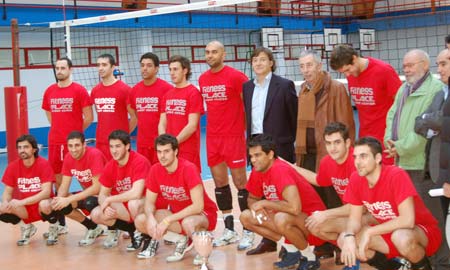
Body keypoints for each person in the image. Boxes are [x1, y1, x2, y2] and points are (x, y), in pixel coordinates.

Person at [385, 49, 449, 269]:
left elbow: (427, 132)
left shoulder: (436, 89)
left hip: (422, 166)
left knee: (433, 220)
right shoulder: (404, 88)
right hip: (402, 164)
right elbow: (392, 114)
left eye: (410, 65)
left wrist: (400, 147)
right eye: (404, 66)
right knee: (413, 218)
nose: (406, 69)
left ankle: (442, 263)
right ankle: (421, 261)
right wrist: (388, 141)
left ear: (424, 65)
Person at [341, 137, 442, 270]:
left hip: (421, 231)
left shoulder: (396, 175)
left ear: (377, 158)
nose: (357, 162)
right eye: (355, 157)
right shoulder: (356, 179)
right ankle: (396, 267)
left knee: (401, 237)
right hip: (388, 230)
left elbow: (408, 220)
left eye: (363, 156)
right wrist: (349, 236)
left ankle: (424, 267)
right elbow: (354, 220)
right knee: (344, 240)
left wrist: (370, 232)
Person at [240, 134, 326, 270]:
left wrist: (265, 204)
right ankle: (291, 250)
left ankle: (310, 257)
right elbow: (252, 198)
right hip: (290, 220)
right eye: (251, 156)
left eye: (257, 155)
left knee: (281, 218)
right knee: (246, 217)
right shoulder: (258, 170)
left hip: (314, 223)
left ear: (270, 154)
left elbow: (294, 208)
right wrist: (255, 207)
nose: (253, 160)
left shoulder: (280, 170)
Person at [198, 40, 254, 250]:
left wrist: (246, 135)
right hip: (213, 138)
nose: (210, 55)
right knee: (220, 184)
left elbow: (247, 106)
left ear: (224, 54)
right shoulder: (203, 79)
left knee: (241, 183)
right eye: (207, 52)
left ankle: (248, 230)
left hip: (233, 138)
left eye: (214, 52)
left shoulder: (237, 77)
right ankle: (229, 230)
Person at [243, 47, 298, 255]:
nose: (258, 63)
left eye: (262, 60)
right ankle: (269, 239)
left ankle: (292, 239)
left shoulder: (284, 85)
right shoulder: (247, 87)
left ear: (271, 63)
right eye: (255, 60)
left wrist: (287, 143)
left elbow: (294, 116)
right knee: (261, 192)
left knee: (284, 195)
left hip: (278, 147)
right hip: (256, 147)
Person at [296, 50, 355, 243]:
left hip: (329, 153)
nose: (306, 70)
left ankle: (343, 244)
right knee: (315, 199)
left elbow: (346, 123)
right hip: (308, 153)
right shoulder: (303, 89)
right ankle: (324, 244)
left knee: (334, 200)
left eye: (309, 65)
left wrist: (345, 155)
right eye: (302, 66)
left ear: (319, 66)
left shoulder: (336, 88)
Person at [134, 134, 218, 264]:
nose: (162, 156)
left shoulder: (189, 169)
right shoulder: (155, 170)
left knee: (188, 223)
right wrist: (150, 218)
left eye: (166, 151)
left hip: (203, 215)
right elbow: (149, 202)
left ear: (176, 151)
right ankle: (180, 239)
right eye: (159, 152)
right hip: (178, 215)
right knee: (141, 220)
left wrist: (168, 220)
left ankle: (203, 247)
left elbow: (198, 206)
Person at [288, 122, 357, 265]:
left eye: (337, 142)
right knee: (315, 226)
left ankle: (354, 257)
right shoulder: (327, 162)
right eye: (329, 143)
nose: (333, 148)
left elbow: (358, 207)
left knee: (343, 234)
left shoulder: (356, 162)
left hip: (368, 214)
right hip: (350, 214)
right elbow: (318, 180)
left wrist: (325, 214)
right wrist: (290, 167)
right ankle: (347, 246)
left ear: (348, 143)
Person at [41, 57, 93, 234]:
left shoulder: (79, 90)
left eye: (63, 68)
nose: (59, 71)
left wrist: (74, 134)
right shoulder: (49, 91)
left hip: (74, 145)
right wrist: (59, 129)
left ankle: (95, 213)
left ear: (71, 69)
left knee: (85, 179)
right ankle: (61, 224)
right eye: (57, 68)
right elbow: (49, 114)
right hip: (55, 142)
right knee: (58, 182)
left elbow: (89, 117)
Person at [330, 44, 401, 165]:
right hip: (365, 138)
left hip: (386, 139)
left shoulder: (384, 71)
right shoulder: (352, 74)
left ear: (354, 58)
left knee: (386, 177)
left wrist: (398, 138)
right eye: (343, 73)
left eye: (347, 70)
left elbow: (402, 104)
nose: (347, 75)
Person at [39, 131, 107, 246]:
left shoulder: (94, 155)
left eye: (77, 145)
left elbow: (97, 188)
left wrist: (68, 199)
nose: (73, 149)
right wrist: (58, 201)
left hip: (107, 194)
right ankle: (93, 228)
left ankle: (114, 229)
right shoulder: (69, 157)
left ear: (84, 144)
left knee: (89, 202)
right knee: (62, 204)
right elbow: (64, 187)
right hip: (89, 194)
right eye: (70, 146)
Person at [415, 48, 450, 266]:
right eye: (438, 64)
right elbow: (419, 122)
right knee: (437, 224)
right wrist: (436, 123)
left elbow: (438, 121)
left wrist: (436, 122)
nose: (440, 70)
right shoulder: (440, 93)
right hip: (439, 170)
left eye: (444, 64)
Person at [90, 130, 149, 249]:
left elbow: (136, 193)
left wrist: (109, 199)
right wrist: (105, 206)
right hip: (125, 205)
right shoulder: (110, 166)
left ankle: (147, 236)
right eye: (111, 146)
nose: (114, 150)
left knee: (133, 204)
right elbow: (102, 195)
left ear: (127, 146)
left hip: (144, 204)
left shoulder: (139, 161)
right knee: (96, 214)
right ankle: (133, 231)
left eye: (118, 146)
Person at [0, 135, 55, 246]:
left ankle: (54, 227)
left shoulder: (43, 164)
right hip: (25, 209)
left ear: (34, 149)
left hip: (42, 206)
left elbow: (46, 192)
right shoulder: (13, 166)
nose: (22, 150)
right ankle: (26, 227)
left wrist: (21, 202)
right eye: (19, 147)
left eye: (25, 147)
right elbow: (7, 192)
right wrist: (6, 202)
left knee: (45, 204)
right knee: (1, 207)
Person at [158, 55, 203, 172]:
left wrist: (174, 142)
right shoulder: (167, 95)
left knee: (190, 184)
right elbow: (162, 122)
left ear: (185, 70)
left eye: (175, 69)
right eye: (170, 69)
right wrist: (163, 142)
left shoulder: (193, 93)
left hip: (188, 149)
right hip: (170, 149)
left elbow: (192, 125)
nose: (172, 73)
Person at [90, 53, 137, 160]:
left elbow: (134, 117)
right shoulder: (95, 91)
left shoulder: (125, 90)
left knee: (120, 175)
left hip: (119, 144)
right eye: (98, 65)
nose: (100, 68)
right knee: (102, 175)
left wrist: (122, 137)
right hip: (101, 142)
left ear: (113, 67)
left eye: (104, 65)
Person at [129, 52, 172, 164]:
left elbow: (170, 118)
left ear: (156, 68)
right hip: (142, 144)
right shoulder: (135, 90)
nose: (144, 68)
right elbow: (136, 115)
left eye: (149, 65)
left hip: (161, 144)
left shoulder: (167, 89)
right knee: (145, 178)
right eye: (142, 65)